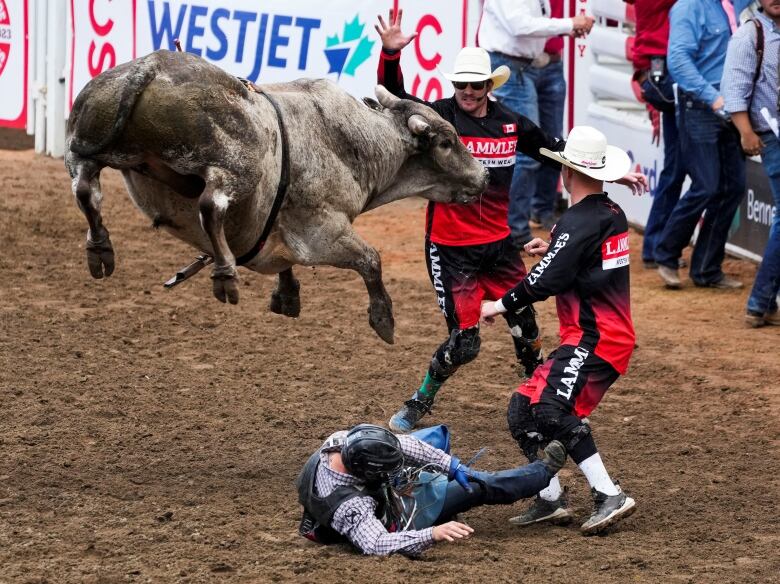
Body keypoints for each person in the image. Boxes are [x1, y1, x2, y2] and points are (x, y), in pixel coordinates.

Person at [374, 10, 645, 433]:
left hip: (500, 247)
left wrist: (614, 173)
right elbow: (394, 97)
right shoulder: (440, 119)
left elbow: (557, 149)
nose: (467, 91)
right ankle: (420, 399)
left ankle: (541, 397)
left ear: (489, 86)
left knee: (528, 328)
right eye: (460, 84)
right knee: (465, 343)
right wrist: (391, 54)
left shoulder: (510, 123)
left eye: (475, 84)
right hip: (451, 249)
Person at [481, 127, 644, 535]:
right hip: (597, 335)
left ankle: (610, 494)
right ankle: (550, 496)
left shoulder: (579, 221)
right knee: (523, 408)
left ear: (565, 173)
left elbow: (545, 282)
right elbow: (576, 258)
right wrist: (551, 247)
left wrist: (497, 305)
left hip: (597, 337)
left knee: (552, 411)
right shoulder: (606, 213)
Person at [295, 423, 567, 556]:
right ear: (368, 472)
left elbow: (403, 445)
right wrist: (432, 533)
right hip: (390, 517)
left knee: (436, 437)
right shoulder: (351, 507)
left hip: (372, 493)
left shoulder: (345, 442)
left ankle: (447, 485)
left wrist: (452, 465)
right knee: (476, 485)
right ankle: (543, 472)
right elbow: (376, 544)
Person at [478, 0, 595, 242]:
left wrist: (565, 26)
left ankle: (523, 220)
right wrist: (568, 23)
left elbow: (524, 23)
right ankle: (514, 228)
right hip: (512, 64)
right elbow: (519, 25)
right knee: (527, 150)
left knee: (543, 144)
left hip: (522, 63)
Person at [654, 0, 747, 289]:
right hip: (701, 105)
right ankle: (667, 254)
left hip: (732, 104)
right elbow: (678, 61)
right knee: (706, 184)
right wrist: (713, 98)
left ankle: (706, 268)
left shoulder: (739, 3)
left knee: (732, 187)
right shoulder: (689, 7)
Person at [722, 0, 780, 326]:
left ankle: (763, 301)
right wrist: (745, 131)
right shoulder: (749, 35)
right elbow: (734, 88)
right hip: (771, 136)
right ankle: (759, 301)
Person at [625, 0, 689, 270]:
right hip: (669, 69)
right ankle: (657, 244)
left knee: (676, 165)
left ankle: (657, 243)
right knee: (677, 166)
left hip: (664, 67)